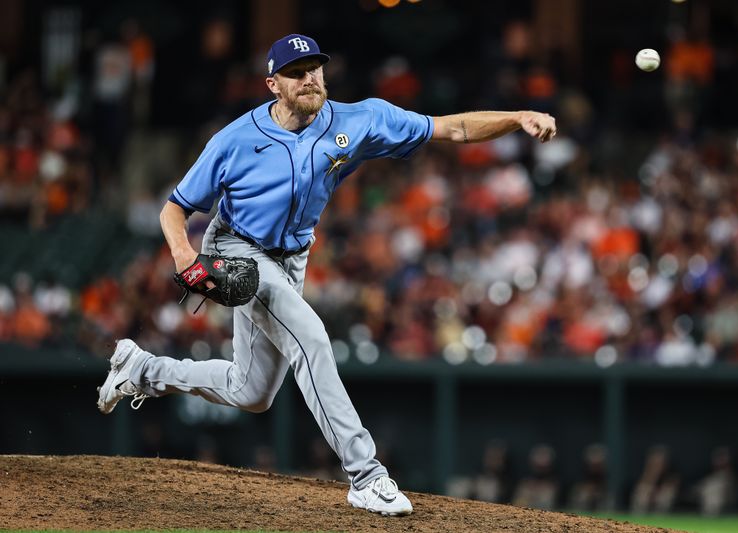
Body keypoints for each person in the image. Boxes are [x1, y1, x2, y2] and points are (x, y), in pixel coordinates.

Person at [97, 33, 556, 516]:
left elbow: (453, 129)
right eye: (297, 72)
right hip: (235, 249)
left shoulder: (361, 120)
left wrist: (514, 118)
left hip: (292, 260)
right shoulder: (234, 139)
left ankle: (142, 370)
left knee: (250, 392)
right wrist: (184, 256)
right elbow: (175, 208)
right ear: (273, 83)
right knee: (312, 337)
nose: (310, 77)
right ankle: (366, 474)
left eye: (315, 67)